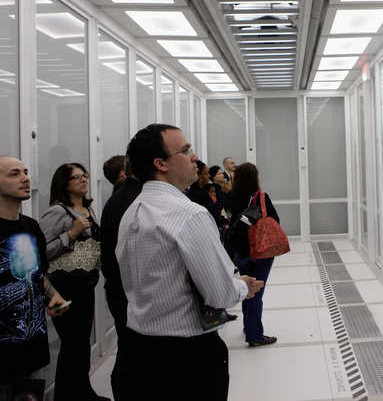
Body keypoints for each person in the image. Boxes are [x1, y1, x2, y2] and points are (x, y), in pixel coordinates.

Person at [115, 124, 263, 401]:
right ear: (160, 164)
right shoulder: (189, 215)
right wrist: (242, 287)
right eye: (186, 151)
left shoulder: (132, 211)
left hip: (136, 351)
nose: (195, 157)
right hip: (185, 359)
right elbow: (220, 294)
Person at [38, 163, 107, 401]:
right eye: (76, 177)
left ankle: (82, 391)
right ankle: (67, 395)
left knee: (80, 346)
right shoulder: (58, 212)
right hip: (65, 287)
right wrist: (70, 234)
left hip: (86, 286)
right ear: (64, 183)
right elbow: (41, 250)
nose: (83, 179)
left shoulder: (87, 208)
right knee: (72, 346)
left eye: (84, 175)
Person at [0, 156, 68, 395]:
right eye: (14, 173)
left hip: (32, 347)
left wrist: (53, 294)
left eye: (26, 172)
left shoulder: (31, 227)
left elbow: (37, 273)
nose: (25, 178)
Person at [99, 161, 142, 401]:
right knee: (133, 353)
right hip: (130, 291)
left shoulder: (119, 199)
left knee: (128, 350)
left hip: (120, 289)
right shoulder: (134, 201)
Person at [228, 162, 279, 347]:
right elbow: (275, 220)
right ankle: (255, 335)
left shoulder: (231, 196)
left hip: (240, 250)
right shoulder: (262, 197)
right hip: (261, 250)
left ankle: (248, 326)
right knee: (257, 291)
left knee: (246, 287)